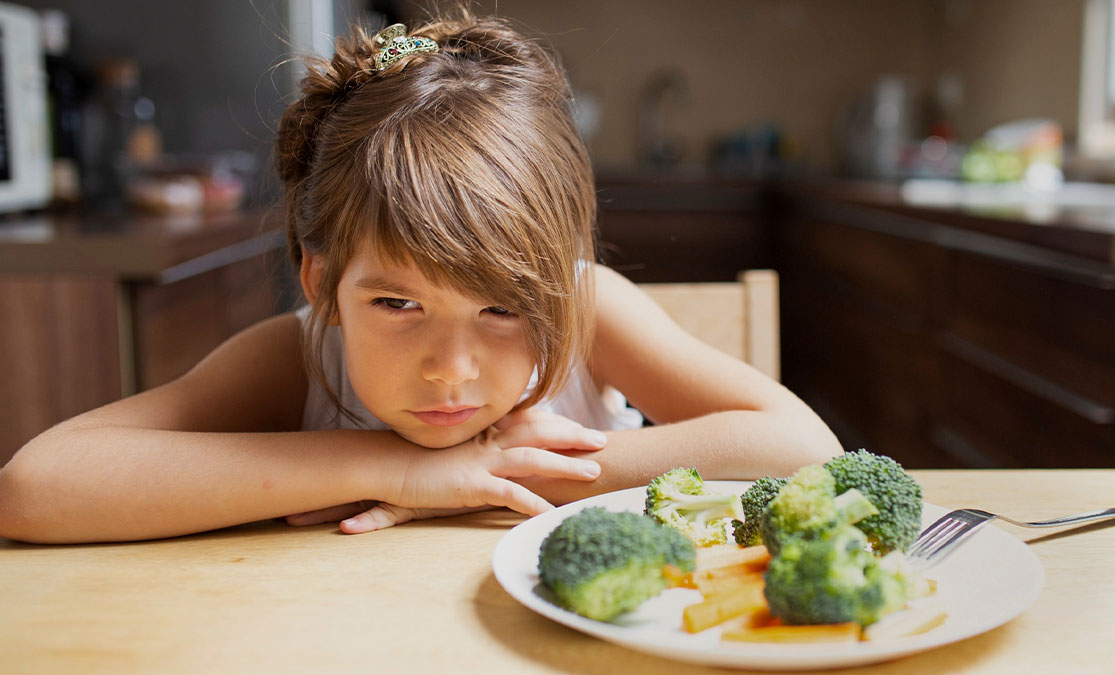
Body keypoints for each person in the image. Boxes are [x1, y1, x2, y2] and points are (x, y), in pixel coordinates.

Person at [0, 10, 841, 544]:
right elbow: (35, 487)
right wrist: (389, 466)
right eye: (397, 302)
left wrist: (511, 467)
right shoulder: (302, 358)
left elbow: (806, 447)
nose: (451, 369)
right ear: (320, 281)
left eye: (504, 307)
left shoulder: (591, 309)